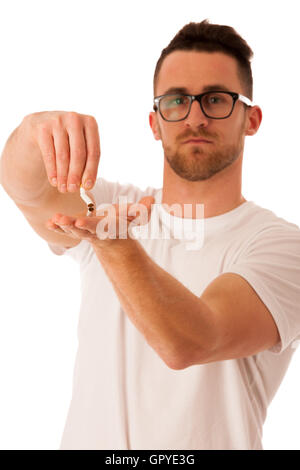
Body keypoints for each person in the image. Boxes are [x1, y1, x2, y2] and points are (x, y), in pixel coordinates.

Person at [1, 19, 300, 451]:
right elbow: (23, 186)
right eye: (177, 100)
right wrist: (32, 132)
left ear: (251, 119)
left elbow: (193, 340)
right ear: (155, 122)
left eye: (215, 99)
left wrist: (117, 248)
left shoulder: (281, 247)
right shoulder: (110, 205)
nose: (195, 117)